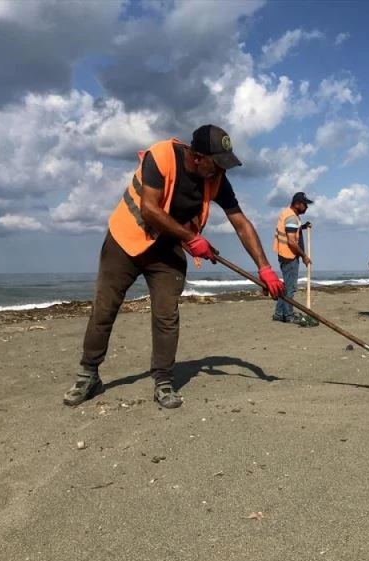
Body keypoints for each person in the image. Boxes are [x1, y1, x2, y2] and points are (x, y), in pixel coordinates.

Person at [63, 125, 285, 409]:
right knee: (105, 309)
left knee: (167, 316)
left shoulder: (216, 179)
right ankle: (88, 375)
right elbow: (149, 210)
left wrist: (264, 268)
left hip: (167, 251)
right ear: (197, 157)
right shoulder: (162, 156)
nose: (220, 171)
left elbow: (240, 222)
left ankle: (163, 380)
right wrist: (193, 239)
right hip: (126, 242)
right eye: (216, 164)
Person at [272, 192, 313, 323]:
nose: (306, 207)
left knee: (286, 287)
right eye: (304, 204)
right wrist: (304, 256)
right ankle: (288, 316)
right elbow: (291, 241)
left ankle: (279, 314)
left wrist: (303, 227)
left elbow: (291, 230)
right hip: (289, 255)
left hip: (284, 254)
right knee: (290, 288)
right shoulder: (292, 217)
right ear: (297, 204)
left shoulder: (288, 214)